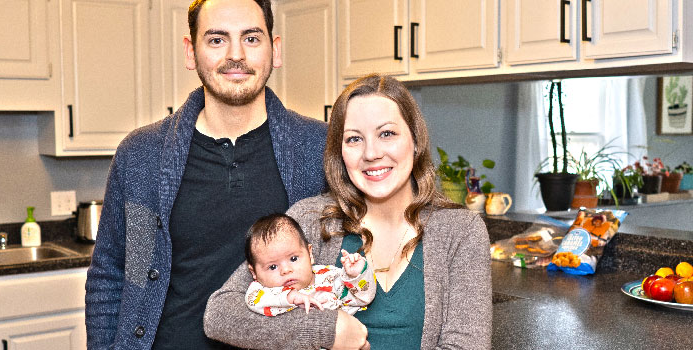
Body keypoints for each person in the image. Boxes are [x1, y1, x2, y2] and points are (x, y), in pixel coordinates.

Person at [84, 0, 328, 348]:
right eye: (216, 40)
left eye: (251, 39)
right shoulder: (143, 157)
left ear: (275, 50)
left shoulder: (317, 148)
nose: (235, 54)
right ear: (190, 52)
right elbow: (117, 273)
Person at [204, 74, 492, 349]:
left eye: (387, 133)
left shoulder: (461, 231)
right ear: (339, 151)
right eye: (354, 139)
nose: (371, 153)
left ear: (416, 140)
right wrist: (325, 330)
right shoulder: (311, 219)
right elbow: (220, 315)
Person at [242, 213, 376, 316]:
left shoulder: (329, 276)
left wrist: (356, 275)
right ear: (254, 273)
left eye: (293, 258)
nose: (286, 270)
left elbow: (362, 299)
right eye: (272, 267)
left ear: (310, 254)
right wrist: (289, 297)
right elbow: (253, 301)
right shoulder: (261, 291)